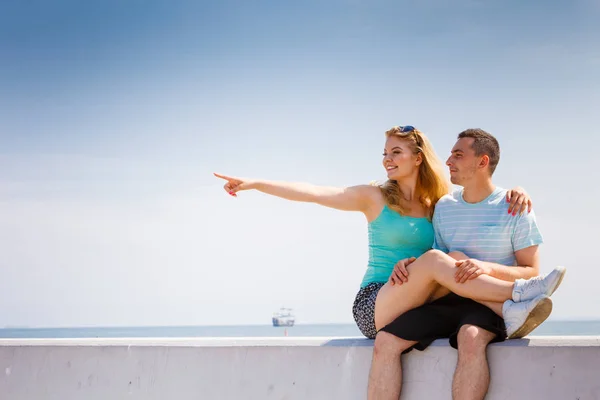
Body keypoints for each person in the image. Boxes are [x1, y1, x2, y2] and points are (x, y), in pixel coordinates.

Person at [213, 125, 560, 395]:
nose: (387, 159)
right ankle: (517, 295)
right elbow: (314, 192)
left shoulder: (438, 202)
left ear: (418, 158)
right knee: (443, 260)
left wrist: (519, 191)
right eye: (385, 153)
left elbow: (480, 195)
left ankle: (512, 303)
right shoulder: (373, 196)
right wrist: (256, 183)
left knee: (450, 257)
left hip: (420, 294)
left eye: (396, 152)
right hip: (378, 299)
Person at [370, 128, 566, 400]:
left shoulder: (514, 206)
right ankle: (513, 300)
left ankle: (510, 302)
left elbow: (530, 271)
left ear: (482, 162)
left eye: (458, 155)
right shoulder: (445, 207)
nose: (448, 161)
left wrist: (486, 268)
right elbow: (443, 262)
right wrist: (410, 264)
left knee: (471, 337)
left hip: (485, 304)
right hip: (449, 298)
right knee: (386, 341)